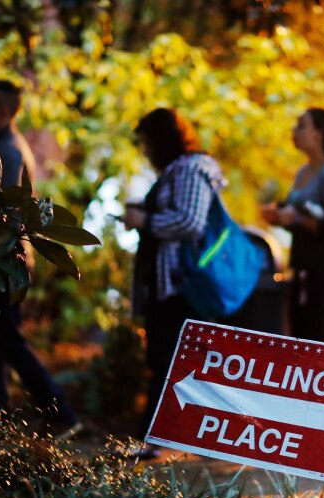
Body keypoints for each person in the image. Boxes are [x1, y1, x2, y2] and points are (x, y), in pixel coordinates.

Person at [0, 80, 80, 438]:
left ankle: (61, 413)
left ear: (4, 111)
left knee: (7, 342)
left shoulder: (9, 151)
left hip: (4, 263)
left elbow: (4, 217)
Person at [125, 107, 225, 458]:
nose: (145, 150)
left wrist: (145, 220)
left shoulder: (189, 169)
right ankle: (170, 439)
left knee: (170, 360)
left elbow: (190, 221)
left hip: (180, 284)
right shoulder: (175, 171)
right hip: (166, 283)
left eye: (147, 142)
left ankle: (156, 440)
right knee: (168, 359)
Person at [261, 108, 324, 343]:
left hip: (323, 273)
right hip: (300, 269)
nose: (295, 131)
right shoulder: (302, 172)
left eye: (302, 125)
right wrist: (278, 216)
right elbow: (295, 219)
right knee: (295, 344)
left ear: (319, 134)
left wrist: (298, 218)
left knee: (317, 346)